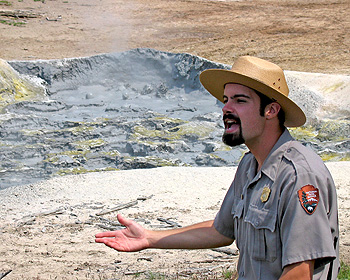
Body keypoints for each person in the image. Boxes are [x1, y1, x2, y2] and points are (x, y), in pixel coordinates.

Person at [95, 56, 339, 279]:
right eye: (225, 100)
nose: (226, 109)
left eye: (240, 100)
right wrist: (149, 237)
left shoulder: (299, 175)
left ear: (271, 110)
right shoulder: (249, 165)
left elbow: (299, 272)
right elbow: (221, 230)